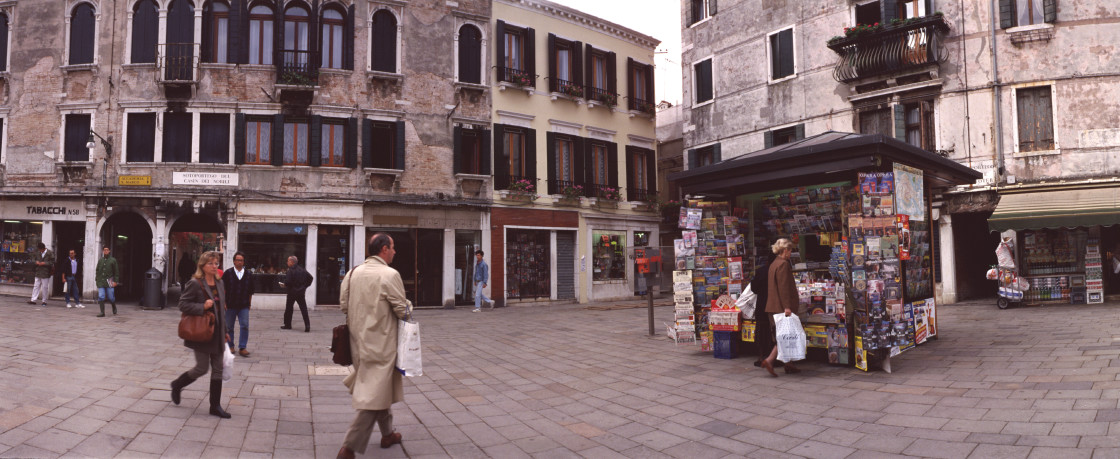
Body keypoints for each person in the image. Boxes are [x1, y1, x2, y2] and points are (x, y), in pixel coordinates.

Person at [336, 233, 410, 458]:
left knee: (377, 389)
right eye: (393, 247)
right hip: (382, 345)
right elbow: (402, 311)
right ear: (385, 249)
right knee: (373, 395)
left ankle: (387, 433)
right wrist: (409, 305)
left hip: (357, 343)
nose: (395, 252)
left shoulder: (352, 273)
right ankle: (348, 447)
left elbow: (343, 305)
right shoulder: (389, 274)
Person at [169, 251, 232, 419]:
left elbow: (222, 310)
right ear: (202, 266)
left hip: (217, 332)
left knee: (218, 368)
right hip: (203, 332)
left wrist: (225, 332)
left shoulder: (220, 283)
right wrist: (202, 307)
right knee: (202, 368)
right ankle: (177, 384)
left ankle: (215, 406)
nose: (214, 266)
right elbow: (182, 304)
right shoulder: (195, 283)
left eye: (216, 263)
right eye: (211, 263)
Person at [760, 238, 802, 376]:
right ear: (785, 250)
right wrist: (787, 307)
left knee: (783, 335)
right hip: (780, 307)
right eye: (790, 250)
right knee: (784, 336)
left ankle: (789, 364)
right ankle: (769, 360)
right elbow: (783, 288)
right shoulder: (783, 264)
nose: (790, 253)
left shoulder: (774, 264)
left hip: (772, 306)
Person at [750, 252, 782, 370]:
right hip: (775, 306)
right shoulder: (779, 270)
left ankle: (761, 357)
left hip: (762, 305)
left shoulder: (761, 271)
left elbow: (754, 288)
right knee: (774, 332)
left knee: (761, 332)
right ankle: (775, 358)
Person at [223, 251, 254, 357]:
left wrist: (249, 303)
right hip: (230, 304)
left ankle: (242, 347)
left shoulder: (249, 274)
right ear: (234, 261)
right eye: (237, 260)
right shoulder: (228, 273)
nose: (239, 262)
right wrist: (223, 302)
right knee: (229, 327)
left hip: (244, 305)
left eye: (241, 260)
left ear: (244, 262)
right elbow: (222, 289)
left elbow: (250, 291)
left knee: (244, 325)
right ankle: (230, 346)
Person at [280, 255, 313, 332]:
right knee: (304, 309)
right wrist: (304, 286)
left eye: (288, 261)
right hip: (301, 292)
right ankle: (307, 325)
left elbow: (288, 282)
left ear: (292, 262)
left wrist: (284, 285)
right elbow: (310, 278)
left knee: (289, 309)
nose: (287, 262)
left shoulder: (290, 270)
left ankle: (287, 324)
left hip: (292, 292)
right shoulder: (302, 270)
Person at [95, 246, 120, 317]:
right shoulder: (100, 260)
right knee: (101, 296)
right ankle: (102, 312)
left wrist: (116, 281)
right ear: (103, 251)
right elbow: (97, 270)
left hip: (110, 281)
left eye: (107, 250)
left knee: (111, 297)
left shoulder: (113, 260)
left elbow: (116, 272)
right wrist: (97, 279)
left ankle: (113, 306)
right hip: (101, 281)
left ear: (109, 251)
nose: (106, 251)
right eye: (104, 250)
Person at [29, 242, 55, 307]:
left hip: (46, 272)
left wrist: (44, 263)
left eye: (40, 250)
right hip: (38, 271)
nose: (40, 251)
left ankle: (44, 301)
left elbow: (52, 262)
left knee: (45, 287)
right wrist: (36, 262)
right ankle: (33, 300)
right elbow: (33, 259)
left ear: (43, 248)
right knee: (36, 286)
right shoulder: (37, 253)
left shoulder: (49, 253)